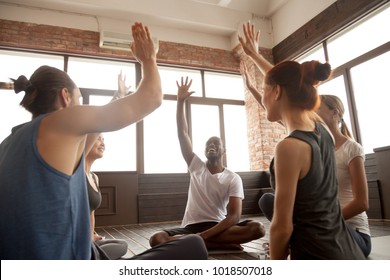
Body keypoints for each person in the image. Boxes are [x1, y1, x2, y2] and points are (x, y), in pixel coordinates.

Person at [0, 22, 207, 260]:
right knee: (194, 246)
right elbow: (151, 98)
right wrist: (148, 59)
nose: (80, 106)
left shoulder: (10, 142)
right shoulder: (62, 121)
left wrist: (118, 96)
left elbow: (93, 129)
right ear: (65, 96)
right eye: (78, 98)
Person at [238, 22, 365, 259]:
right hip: (347, 251)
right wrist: (255, 55)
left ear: (276, 92)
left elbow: (281, 226)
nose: (262, 99)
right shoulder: (321, 129)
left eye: (265, 91)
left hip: (318, 256)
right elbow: (289, 81)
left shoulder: (289, 147)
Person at [149, 76, 265, 251]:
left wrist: (202, 236)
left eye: (216, 143)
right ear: (204, 151)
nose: (211, 145)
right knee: (157, 239)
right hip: (190, 227)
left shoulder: (233, 178)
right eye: (208, 144)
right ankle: (216, 245)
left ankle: (199, 243)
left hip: (218, 227)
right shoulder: (196, 166)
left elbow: (234, 216)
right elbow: (183, 133)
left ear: (223, 150)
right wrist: (180, 101)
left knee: (258, 228)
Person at [317, 94, 371, 257]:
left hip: (354, 233)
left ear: (335, 113)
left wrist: (326, 222)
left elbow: (362, 203)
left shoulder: (352, 149)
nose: (311, 114)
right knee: (269, 200)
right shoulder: (318, 149)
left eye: (317, 109)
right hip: (324, 227)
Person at [85, 134, 128, 259]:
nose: (103, 143)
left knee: (122, 245)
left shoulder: (94, 177)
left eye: (103, 139)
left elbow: (91, 212)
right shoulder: (76, 172)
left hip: (87, 239)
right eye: (98, 138)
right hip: (76, 240)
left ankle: (93, 253)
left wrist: (91, 234)